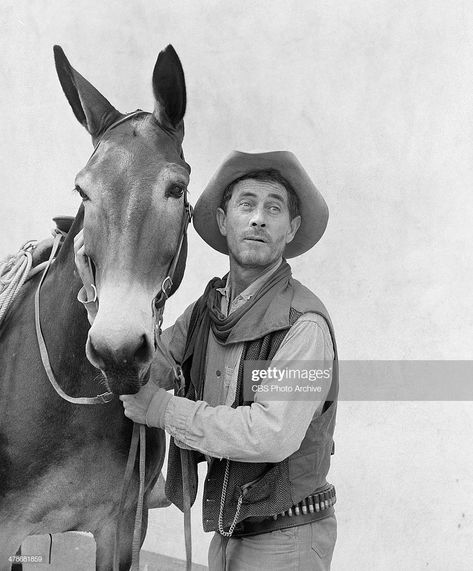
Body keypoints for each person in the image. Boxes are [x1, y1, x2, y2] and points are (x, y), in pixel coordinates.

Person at [76, 150, 338, 570]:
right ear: (222, 220)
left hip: (287, 540)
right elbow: (151, 368)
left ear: (292, 228)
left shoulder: (305, 326)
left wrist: (163, 410)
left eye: (274, 208)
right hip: (229, 530)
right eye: (246, 204)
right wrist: (99, 308)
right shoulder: (208, 309)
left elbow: (271, 435)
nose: (258, 219)